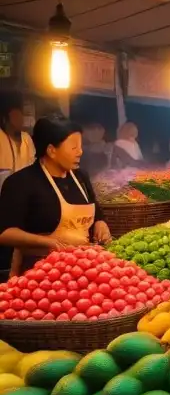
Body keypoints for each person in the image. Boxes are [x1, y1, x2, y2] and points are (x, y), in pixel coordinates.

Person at [0, 115, 111, 277]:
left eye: (80, 146)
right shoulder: (21, 182)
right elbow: (5, 233)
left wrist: (100, 223)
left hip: (84, 267)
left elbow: (96, 210)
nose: (80, 152)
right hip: (40, 272)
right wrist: (48, 242)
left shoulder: (80, 177)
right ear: (51, 150)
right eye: (73, 147)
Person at [0, 92, 35, 187]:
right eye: (15, 117)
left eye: (20, 117)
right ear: (5, 120)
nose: (20, 120)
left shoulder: (26, 138)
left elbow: (32, 163)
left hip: (24, 189)